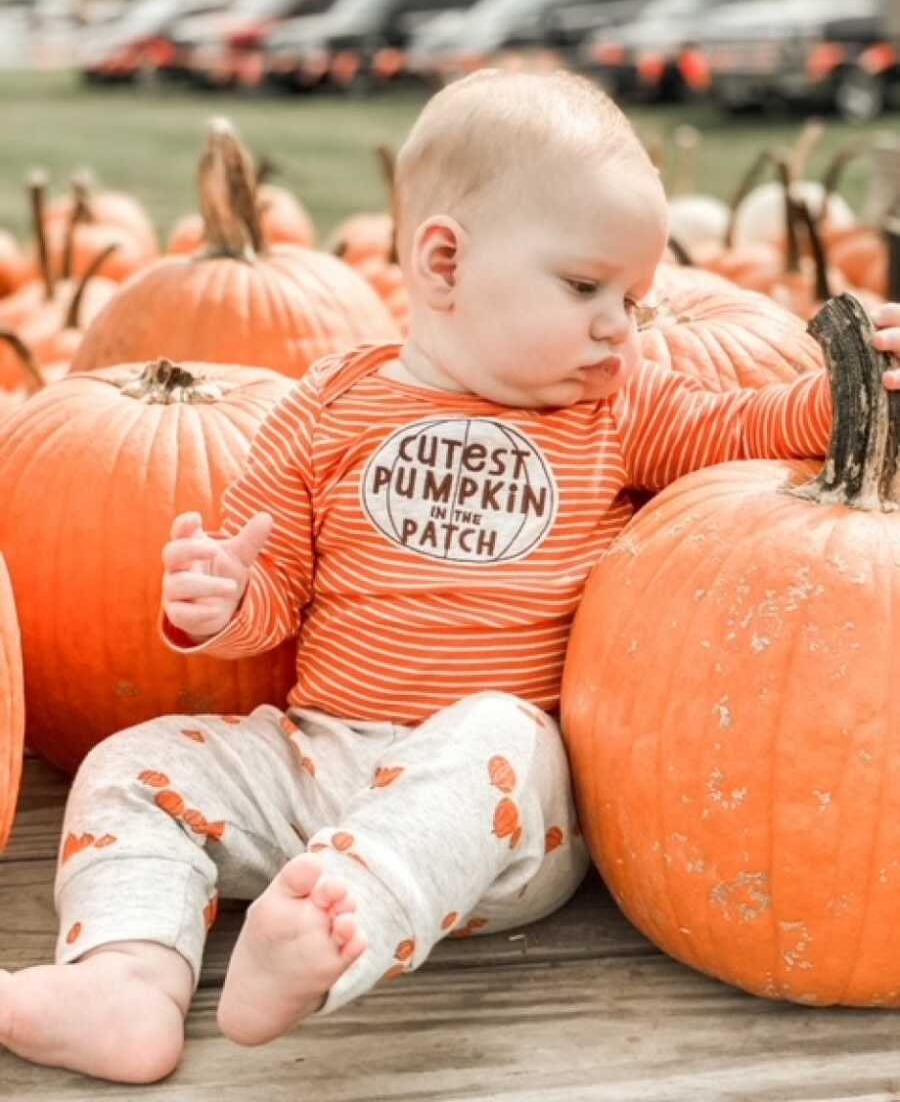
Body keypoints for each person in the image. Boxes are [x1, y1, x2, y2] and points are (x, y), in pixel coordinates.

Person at [3, 68, 900, 1085]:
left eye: (634, 299)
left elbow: (737, 426)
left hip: (506, 809)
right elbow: (275, 599)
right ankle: (125, 977)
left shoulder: (621, 409)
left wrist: (842, 389)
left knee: (498, 729)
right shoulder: (324, 410)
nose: (621, 326)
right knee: (136, 760)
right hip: (323, 759)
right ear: (443, 262)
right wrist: (216, 603)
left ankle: (341, 914)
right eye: (584, 288)